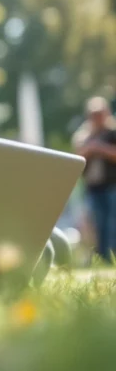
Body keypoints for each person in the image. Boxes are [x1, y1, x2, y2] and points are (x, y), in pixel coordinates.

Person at [73, 96, 116, 262]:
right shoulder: (84, 136)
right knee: (97, 225)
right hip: (92, 187)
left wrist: (100, 149)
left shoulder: (112, 133)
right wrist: (89, 149)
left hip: (112, 185)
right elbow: (77, 158)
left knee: (112, 223)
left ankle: (112, 256)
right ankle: (102, 258)